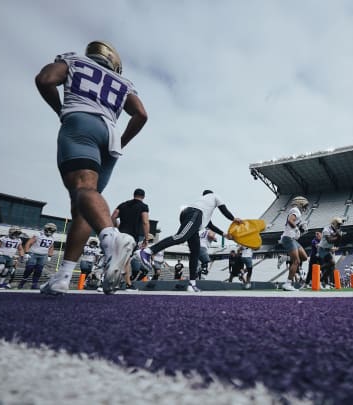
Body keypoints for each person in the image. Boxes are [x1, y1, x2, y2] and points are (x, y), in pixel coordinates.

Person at [35, 40, 148, 295]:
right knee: (83, 205)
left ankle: (111, 240)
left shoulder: (74, 59)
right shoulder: (124, 82)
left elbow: (45, 79)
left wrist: (61, 109)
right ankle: (64, 275)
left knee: (83, 191)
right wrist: (122, 141)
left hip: (81, 123)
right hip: (109, 136)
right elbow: (141, 114)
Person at [137, 190, 243, 292]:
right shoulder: (214, 196)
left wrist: (224, 234)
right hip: (194, 214)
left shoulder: (204, 208)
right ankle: (148, 251)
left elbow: (210, 225)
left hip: (192, 217)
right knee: (181, 237)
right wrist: (233, 218)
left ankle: (192, 284)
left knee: (195, 251)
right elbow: (223, 209)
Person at [278, 196, 310, 291]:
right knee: (296, 261)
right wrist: (297, 228)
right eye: (305, 205)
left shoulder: (297, 212)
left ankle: (285, 258)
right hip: (288, 237)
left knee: (304, 257)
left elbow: (294, 225)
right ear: (300, 203)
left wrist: (301, 229)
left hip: (292, 239)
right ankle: (288, 284)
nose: (305, 207)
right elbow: (290, 221)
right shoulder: (295, 210)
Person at [18, 223, 57, 289]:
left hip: (43, 255)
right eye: (49, 229)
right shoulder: (38, 234)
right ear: (46, 229)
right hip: (33, 254)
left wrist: (50, 255)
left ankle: (34, 284)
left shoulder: (52, 238)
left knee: (39, 270)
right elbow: (28, 243)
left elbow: (51, 247)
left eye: (52, 230)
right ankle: (23, 281)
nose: (50, 231)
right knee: (29, 268)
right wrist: (26, 253)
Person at [317, 217, 345, 289]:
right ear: (334, 223)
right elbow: (329, 240)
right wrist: (338, 236)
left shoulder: (337, 230)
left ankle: (320, 280)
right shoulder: (327, 229)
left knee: (331, 267)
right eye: (338, 224)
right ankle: (319, 269)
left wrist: (339, 237)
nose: (339, 226)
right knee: (331, 263)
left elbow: (337, 243)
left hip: (328, 249)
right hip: (322, 249)